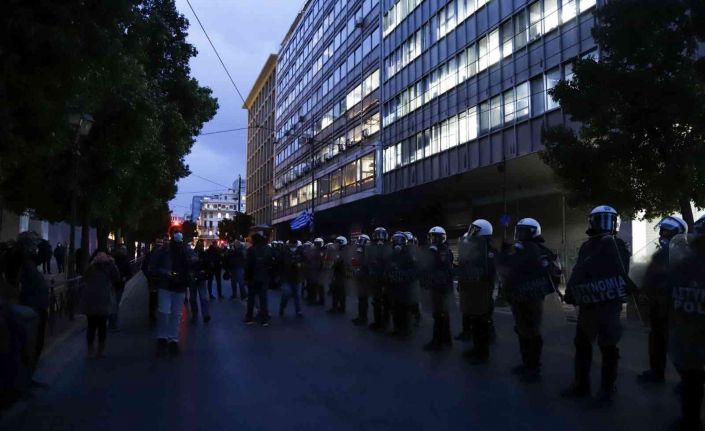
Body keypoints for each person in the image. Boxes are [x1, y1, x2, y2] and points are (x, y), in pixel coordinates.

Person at [562, 205, 633, 402]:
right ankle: (581, 385)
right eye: (599, 220)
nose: (602, 225)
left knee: (608, 346)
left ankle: (607, 390)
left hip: (608, 305)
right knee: (583, 344)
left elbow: (622, 273)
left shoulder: (618, 246)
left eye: (606, 220)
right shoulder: (588, 246)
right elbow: (579, 271)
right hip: (589, 306)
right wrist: (571, 291)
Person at [497, 218, 561, 381]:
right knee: (521, 330)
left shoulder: (539, 250)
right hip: (518, 296)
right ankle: (527, 363)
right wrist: (505, 253)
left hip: (532, 297)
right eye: (519, 231)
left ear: (533, 232)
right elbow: (506, 268)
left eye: (524, 231)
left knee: (532, 331)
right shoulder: (518, 249)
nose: (520, 235)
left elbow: (552, 272)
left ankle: (534, 367)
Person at [637, 216, 688, 384]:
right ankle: (656, 372)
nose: (661, 233)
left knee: (674, 342)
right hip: (657, 303)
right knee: (657, 339)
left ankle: (688, 380)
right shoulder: (661, 251)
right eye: (661, 230)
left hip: (671, 304)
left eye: (665, 231)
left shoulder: (681, 253)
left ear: (676, 233)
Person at [667, 214, 705, 431]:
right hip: (690, 329)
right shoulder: (685, 265)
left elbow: (669, 292)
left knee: (691, 376)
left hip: (689, 331)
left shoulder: (685, 264)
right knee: (691, 377)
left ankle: (691, 422)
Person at [457, 219, 497, 363]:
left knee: (482, 323)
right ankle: (476, 348)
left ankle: (482, 353)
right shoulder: (475, 248)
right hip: (472, 289)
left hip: (483, 291)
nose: (470, 233)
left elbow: (490, 272)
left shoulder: (489, 250)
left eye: (474, 231)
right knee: (474, 321)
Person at [151, 229, 191, 356]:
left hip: (179, 286)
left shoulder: (184, 250)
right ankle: (163, 338)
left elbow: (193, 261)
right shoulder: (163, 251)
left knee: (175, 314)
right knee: (165, 312)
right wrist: (166, 273)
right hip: (167, 285)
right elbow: (153, 267)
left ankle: (172, 339)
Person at [15, 232, 50, 375]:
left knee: (35, 344)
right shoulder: (18, 259)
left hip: (35, 307)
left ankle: (27, 377)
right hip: (29, 307)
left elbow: (45, 254)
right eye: (33, 243)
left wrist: (41, 241)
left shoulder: (27, 260)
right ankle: (23, 378)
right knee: (29, 345)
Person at [79, 251, 121, 358]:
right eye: (100, 256)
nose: (102, 258)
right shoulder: (92, 267)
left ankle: (98, 350)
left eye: (104, 256)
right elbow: (85, 275)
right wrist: (93, 263)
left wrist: (112, 263)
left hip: (101, 299)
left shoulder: (108, 266)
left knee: (99, 326)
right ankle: (92, 350)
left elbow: (116, 277)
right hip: (94, 299)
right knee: (93, 326)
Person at [422, 227, 454, 351]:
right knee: (443, 314)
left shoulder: (442, 251)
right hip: (440, 286)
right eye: (431, 237)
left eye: (435, 237)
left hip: (441, 287)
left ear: (441, 238)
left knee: (439, 314)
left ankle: (437, 342)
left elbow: (441, 269)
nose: (432, 240)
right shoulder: (439, 250)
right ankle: (446, 339)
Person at [385, 232, 418, 337]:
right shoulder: (391, 256)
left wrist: (402, 275)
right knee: (395, 309)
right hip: (393, 287)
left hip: (404, 287)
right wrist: (389, 276)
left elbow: (414, 271)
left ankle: (405, 330)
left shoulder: (409, 255)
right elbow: (387, 269)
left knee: (404, 310)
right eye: (395, 241)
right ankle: (397, 329)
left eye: (399, 241)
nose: (397, 243)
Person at [244, 229, 274, 326]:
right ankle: (264, 319)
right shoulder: (267, 249)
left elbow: (248, 265)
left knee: (251, 298)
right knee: (263, 299)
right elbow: (271, 263)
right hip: (264, 277)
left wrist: (247, 278)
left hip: (253, 277)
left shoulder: (251, 250)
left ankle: (249, 318)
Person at [366, 227, 391, 331]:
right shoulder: (372, 247)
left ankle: (384, 322)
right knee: (376, 301)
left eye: (381, 235)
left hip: (385, 278)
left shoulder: (388, 247)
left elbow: (389, 262)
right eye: (378, 235)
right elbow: (369, 260)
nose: (379, 237)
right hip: (375, 277)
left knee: (385, 301)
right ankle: (378, 322)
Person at [141, 236, 166, 325]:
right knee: (155, 296)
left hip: (157, 279)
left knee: (155, 296)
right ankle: (154, 313)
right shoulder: (153, 254)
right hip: (155, 279)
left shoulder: (162, 254)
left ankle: (154, 313)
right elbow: (144, 267)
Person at [109, 243, 132, 330]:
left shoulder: (121, 259)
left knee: (114, 303)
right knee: (114, 303)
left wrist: (125, 278)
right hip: (115, 284)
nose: (122, 251)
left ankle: (112, 322)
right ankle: (113, 322)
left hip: (118, 284)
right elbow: (129, 272)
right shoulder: (114, 259)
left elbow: (129, 272)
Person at [279, 239, 304, 317]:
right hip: (286, 277)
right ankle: (282, 306)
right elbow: (279, 263)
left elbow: (305, 262)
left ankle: (298, 311)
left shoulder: (300, 252)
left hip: (297, 277)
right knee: (286, 293)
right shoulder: (284, 252)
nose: (293, 246)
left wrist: (300, 265)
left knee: (297, 295)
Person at [188, 240, 211, 324]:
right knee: (196, 298)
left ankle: (203, 315)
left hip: (199, 277)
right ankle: (199, 314)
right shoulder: (195, 254)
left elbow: (208, 265)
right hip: (195, 277)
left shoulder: (204, 255)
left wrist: (204, 272)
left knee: (201, 298)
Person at [351, 235, 371, 326]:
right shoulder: (360, 251)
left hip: (365, 278)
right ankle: (361, 316)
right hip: (360, 277)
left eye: (361, 240)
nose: (359, 242)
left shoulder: (368, 252)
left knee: (363, 299)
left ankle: (363, 318)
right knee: (361, 299)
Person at [328, 236, 348, 314]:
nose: (335, 244)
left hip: (340, 275)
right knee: (341, 292)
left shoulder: (340, 253)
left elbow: (334, 263)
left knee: (336, 292)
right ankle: (342, 308)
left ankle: (335, 308)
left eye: (337, 242)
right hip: (342, 274)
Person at [305, 238, 325, 305]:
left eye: (319, 243)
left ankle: (320, 300)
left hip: (319, 271)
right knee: (313, 286)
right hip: (313, 271)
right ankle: (313, 299)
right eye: (317, 243)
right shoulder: (313, 250)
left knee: (319, 287)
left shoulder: (323, 251)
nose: (318, 244)